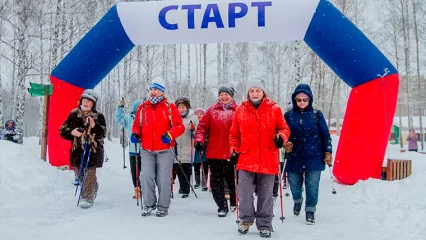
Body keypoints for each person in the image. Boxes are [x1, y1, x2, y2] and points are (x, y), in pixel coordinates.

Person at [229, 78, 290, 238]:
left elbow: (284, 128)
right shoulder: (240, 110)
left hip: (268, 158)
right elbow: (234, 135)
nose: (255, 93)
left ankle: (264, 224)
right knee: (244, 193)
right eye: (251, 90)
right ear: (248, 93)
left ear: (263, 92)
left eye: (257, 90)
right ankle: (246, 220)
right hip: (245, 158)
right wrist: (234, 150)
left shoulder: (274, 108)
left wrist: (281, 137)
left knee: (265, 195)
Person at [131, 78, 184, 217]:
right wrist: (135, 134)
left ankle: (163, 206)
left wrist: (170, 134)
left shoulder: (169, 107)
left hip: (165, 150)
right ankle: (149, 204)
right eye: (152, 89)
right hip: (147, 149)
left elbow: (179, 126)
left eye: (156, 89)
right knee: (146, 176)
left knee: (163, 178)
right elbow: (137, 124)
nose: (153, 92)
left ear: (162, 91)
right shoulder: (142, 107)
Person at [283, 84, 332, 224]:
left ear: (309, 100)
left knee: (312, 185)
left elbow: (325, 135)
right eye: (299, 100)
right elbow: (282, 133)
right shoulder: (288, 116)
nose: (302, 102)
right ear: (295, 100)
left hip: (314, 156)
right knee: (294, 185)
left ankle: (310, 210)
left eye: (305, 99)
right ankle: (297, 200)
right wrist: (285, 143)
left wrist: (327, 151)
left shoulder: (317, 115)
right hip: (294, 157)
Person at [195, 86, 237, 217]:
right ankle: (222, 205)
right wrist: (199, 140)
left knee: (233, 180)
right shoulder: (212, 111)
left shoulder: (238, 110)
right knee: (216, 181)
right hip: (215, 152)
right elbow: (202, 128)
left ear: (231, 96)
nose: (224, 97)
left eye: (226, 94)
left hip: (233, 153)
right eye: (221, 94)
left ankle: (235, 202)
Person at [59, 89, 107, 209]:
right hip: (77, 151)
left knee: (89, 173)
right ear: (81, 101)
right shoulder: (73, 114)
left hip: (93, 151)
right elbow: (62, 130)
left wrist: (94, 126)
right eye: (84, 100)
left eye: (89, 102)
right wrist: (72, 132)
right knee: (79, 174)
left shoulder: (99, 116)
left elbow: (103, 133)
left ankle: (87, 197)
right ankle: (92, 187)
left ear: (93, 104)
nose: (86, 104)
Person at [114, 98, 143, 199]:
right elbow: (118, 118)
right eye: (138, 107)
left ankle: (145, 189)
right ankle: (137, 189)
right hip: (133, 150)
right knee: (134, 173)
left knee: (145, 173)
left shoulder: (146, 118)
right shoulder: (129, 119)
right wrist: (120, 108)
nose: (140, 109)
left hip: (145, 150)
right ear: (135, 109)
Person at [174, 97, 198, 198]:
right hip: (176, 146)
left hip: (188, 146)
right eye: (179, 107)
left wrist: (193, 129)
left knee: (186, 169)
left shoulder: (193, 117)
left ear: (187, 107)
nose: (181, 109)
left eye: (183, 107)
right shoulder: (174, 117)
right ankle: (182, 186)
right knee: (178, 169)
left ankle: (186, 189)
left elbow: (198, 131)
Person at [193, 108, 209, 191]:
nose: (199, 116)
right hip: (196, 147)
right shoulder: (194, 123)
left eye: (201, 114)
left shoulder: (207, 123)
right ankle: (197, 182)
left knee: (205, 165)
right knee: (196, 165)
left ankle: (204, 182)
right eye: (197, 114)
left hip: (205, 146)